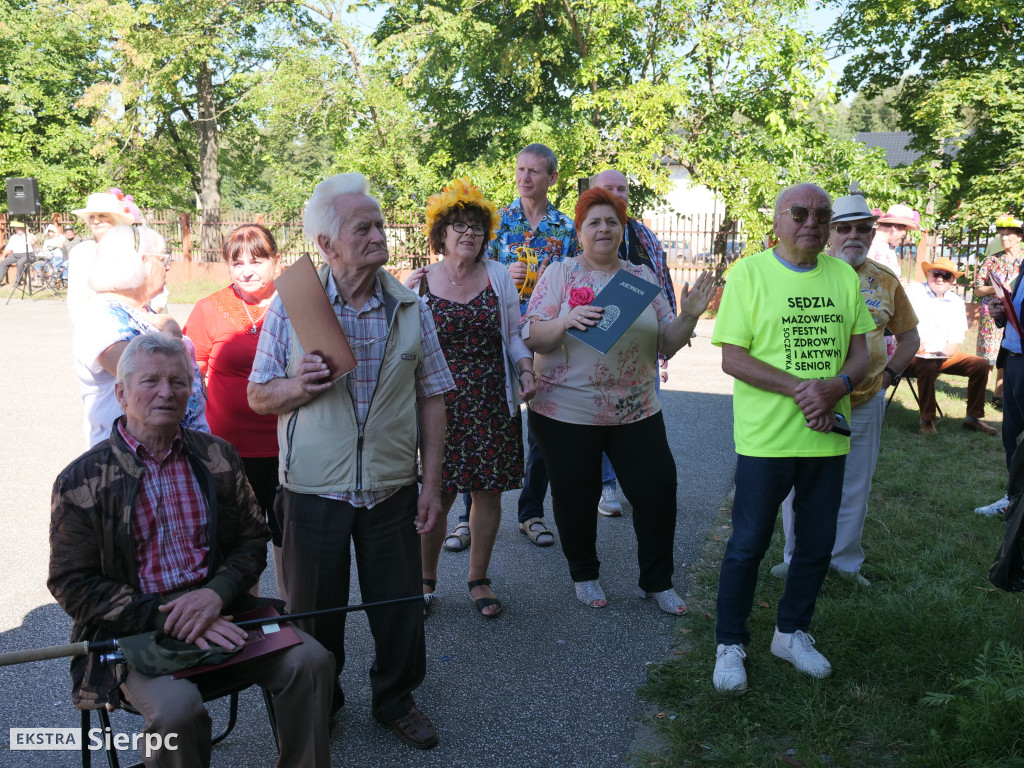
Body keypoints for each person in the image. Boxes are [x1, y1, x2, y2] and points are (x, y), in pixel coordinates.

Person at [49, 333, 333, 768]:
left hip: (224, 610)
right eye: (151, 381)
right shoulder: (82, 481)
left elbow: (252, 539)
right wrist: (169, 616)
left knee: (312, 663)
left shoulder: (218, 456)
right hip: (136, 630)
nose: (166, 392)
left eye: (178, 381)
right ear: (122, 393)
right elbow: (72, 583)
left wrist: (215, 594)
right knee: (176, 710)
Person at [247, 172, 454, 750]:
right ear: (327, 245)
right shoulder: (294, 307)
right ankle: (321, 701)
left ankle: (396, 699)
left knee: (400, 610)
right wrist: (295, 385)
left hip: (392, 489)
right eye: (363, 227)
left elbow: (433, 399)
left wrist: (430, 486)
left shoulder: (410, 307)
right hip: (313, 492)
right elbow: (257, 395)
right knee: (315, 617)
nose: (378, 235)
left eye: (380, 224)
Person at [521, 186, 716, 614]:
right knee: (574, 496)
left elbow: (668, 342)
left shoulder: (641, 279)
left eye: (612, 221)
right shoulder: (560, 274)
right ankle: (584, 574)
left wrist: (689, 315)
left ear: (623, 229)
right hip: (566, 412)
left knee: (657, 491)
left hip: (637, 410)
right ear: (580, 230)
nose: (604, 228)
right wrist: (566, 319)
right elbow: (532, 334)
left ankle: (657, 581)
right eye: (595, 221)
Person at [711, 183, 872, 694]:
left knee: (816, 545)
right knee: (748, 544)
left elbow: (861, 353)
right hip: (767, 441)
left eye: (822, 216)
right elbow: (732, 357)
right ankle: (730, 643)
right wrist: (806, 392)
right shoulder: (750, 274)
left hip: (827, 439)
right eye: (799, 213)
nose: (812, 223)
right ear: (778, 221)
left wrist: (838, 387)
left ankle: (791, 632)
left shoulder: (843, 276)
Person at [405, 178, 537, 619]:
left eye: (477, 228)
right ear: (440, 234)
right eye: (459, 226)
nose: (469, 234)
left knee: (488, 493)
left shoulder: (498, 276)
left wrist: (524, 370)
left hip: (489, 402)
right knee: (436, 493)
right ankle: (425, 580)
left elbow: (514, 336)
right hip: (437, 403)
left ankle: (478, 578)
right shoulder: (419, 284)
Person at [771, 195, 920, 587]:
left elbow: (909, 337)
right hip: (808, 398)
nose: (854, 235)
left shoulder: (885, 280)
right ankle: (795, 558)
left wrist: (886, 377)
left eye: (863, 228)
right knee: (799, 481)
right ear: (829, 232)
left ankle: (845, 562)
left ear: (872, 235)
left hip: (864, 399)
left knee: (855, 481)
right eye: (844, 227)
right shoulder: (803, 271)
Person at [481, 143, 578, 548]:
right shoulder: (496, 222)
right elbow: (470, 274)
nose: (525, 177)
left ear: (552, 178)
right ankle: (469, 517)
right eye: (521, 169)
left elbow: (577, 282)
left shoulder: (566, 228)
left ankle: (531, 512)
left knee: (541, 429)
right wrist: (502, 271)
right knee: (484, 423)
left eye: (535, 171)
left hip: (544, 336)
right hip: (499, 331)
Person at [184, 224, 282, 547]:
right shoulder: (208, 308)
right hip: (228, 448)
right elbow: (192, 377)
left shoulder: (294, 305)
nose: (247, 271)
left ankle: (292, 600)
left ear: (276, 261)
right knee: (240, 541)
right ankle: (247, 600)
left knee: (287, 537)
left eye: (256, 261)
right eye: (237, 263)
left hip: (287, 445)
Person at [590, 168, 678, 516]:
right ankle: (606, 486)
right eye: (607, 188)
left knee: (641, 414)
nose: (616, 194)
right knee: (602, 418)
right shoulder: (581, 231)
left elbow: (662, 283)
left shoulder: (644, 235)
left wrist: (668, 337)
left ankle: (639, 483)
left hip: (641, 347)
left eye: (621, 188)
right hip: (595, 344)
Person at [73, 225, 208, 447]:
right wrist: (174, 335)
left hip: (171, 454)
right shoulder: (101, 316)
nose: (167, 268)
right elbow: (143, 370)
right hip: (134, 461)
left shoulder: (141, 311)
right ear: (143, 261)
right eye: (163, 260)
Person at [904, 256, 997, 435]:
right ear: (927, 274)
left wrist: (944, 353)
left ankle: (973, 418)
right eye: (936, 273)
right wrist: (917, 344)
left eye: (946, 275)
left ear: (952, 280)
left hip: (941, 354)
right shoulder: (913, 292)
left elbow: (955, 339)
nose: (940, 278)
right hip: (912, 353)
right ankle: (927, 420)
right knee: (927, 364)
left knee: (981, 364)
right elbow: (901, 326)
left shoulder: (956, 302)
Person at [974, 215, 1024, 408]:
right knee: (987, 356)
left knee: (1009, 351)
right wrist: (998, 289)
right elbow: (978, 289)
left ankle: (999, 394)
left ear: (1019, 236)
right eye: (1001, 235)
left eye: (1009, 234)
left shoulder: (1023, 261)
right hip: (992, 312)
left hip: (1017, 314)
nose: (1004, 238)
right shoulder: (992, 260)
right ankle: (978, 393)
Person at [66, 190, 139, 323]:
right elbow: (75, 296)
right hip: (93, 322)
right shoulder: (81, 252)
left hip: (130, 322)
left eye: (102, 215)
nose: (96, 221)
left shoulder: (131, 249)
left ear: (116, 219)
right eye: (92, 217)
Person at [869, 202, 920, 279]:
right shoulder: (869, 244)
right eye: (906, 230)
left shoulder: (888, 245)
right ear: (895, 227)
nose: (906, 234)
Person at [0, 220, 37, 287]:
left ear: (24, 228)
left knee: (19, 263)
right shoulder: (13, 237)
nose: (19, 230)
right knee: (3, 262)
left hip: (28, 254)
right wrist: (2, 256)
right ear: (15, 229)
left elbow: (33, 242)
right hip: (15, 255)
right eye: (17, 228)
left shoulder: (30, 235)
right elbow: (8, 248)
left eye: (20, 228)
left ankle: (18, 281)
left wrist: (27, 232)